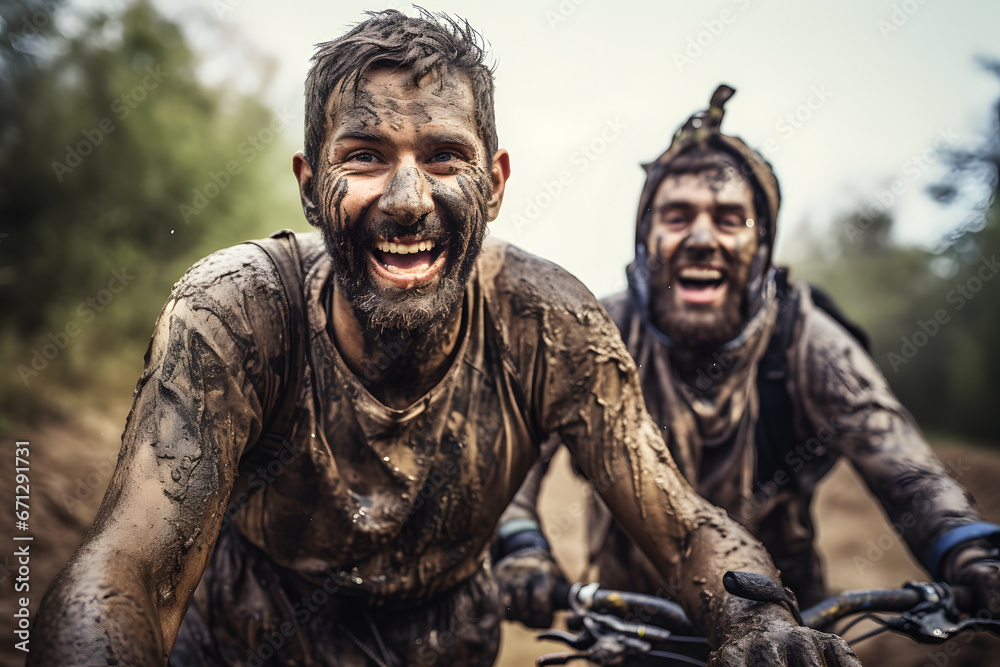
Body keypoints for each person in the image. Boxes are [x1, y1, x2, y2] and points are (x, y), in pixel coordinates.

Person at [30, 14, 860, 667]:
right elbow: (130, 569)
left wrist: (753, 613)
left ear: (493, 183)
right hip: (239, 645)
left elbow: (683, 528)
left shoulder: (552, 323)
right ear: (310, 184)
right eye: (363, 155)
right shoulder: (236, 312)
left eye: (441, 155)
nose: (405, 198)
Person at [495, 85, 1000, 627]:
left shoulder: (805, 339)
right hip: (634, 630)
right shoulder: (597, 332)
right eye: (678, 216)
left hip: (788, 635)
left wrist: (970, 552)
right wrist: (522, 548)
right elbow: (515, 462)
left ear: (762, 246)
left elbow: (910, 474)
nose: (703, 238)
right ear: (645, 239)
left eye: (731, 219)